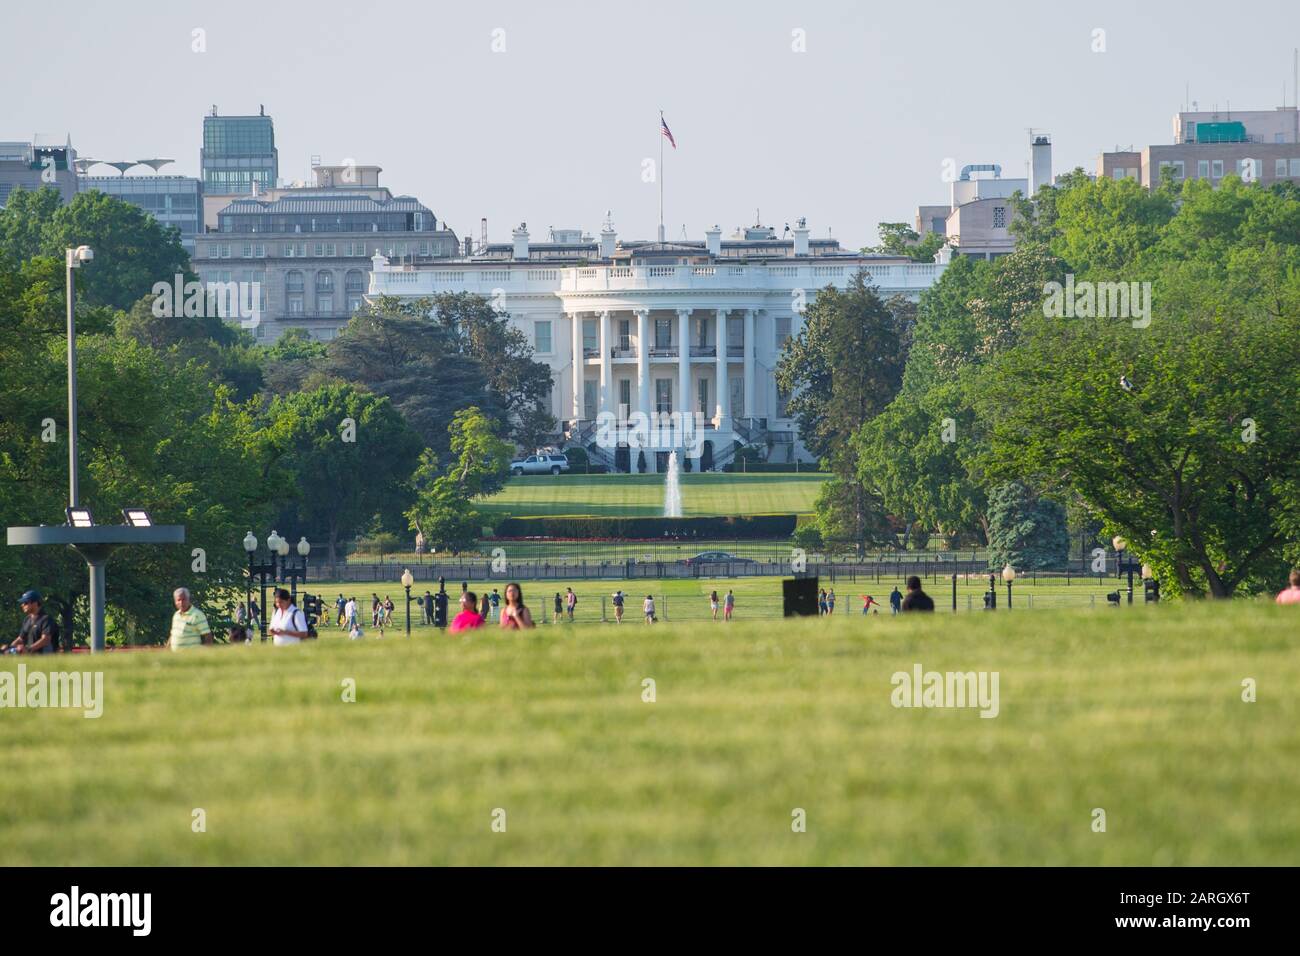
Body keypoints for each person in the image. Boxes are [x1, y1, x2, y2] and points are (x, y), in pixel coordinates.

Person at [4, 590, 59, 654]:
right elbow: (20, 639)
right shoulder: (27, 619)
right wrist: (9, 648)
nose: (22, 605)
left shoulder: (46, 619)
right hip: (30, 658)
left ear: (35, 603)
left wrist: (28, 649)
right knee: (20, 664)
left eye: (25, 603)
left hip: (44, 660)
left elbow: (46, 640)